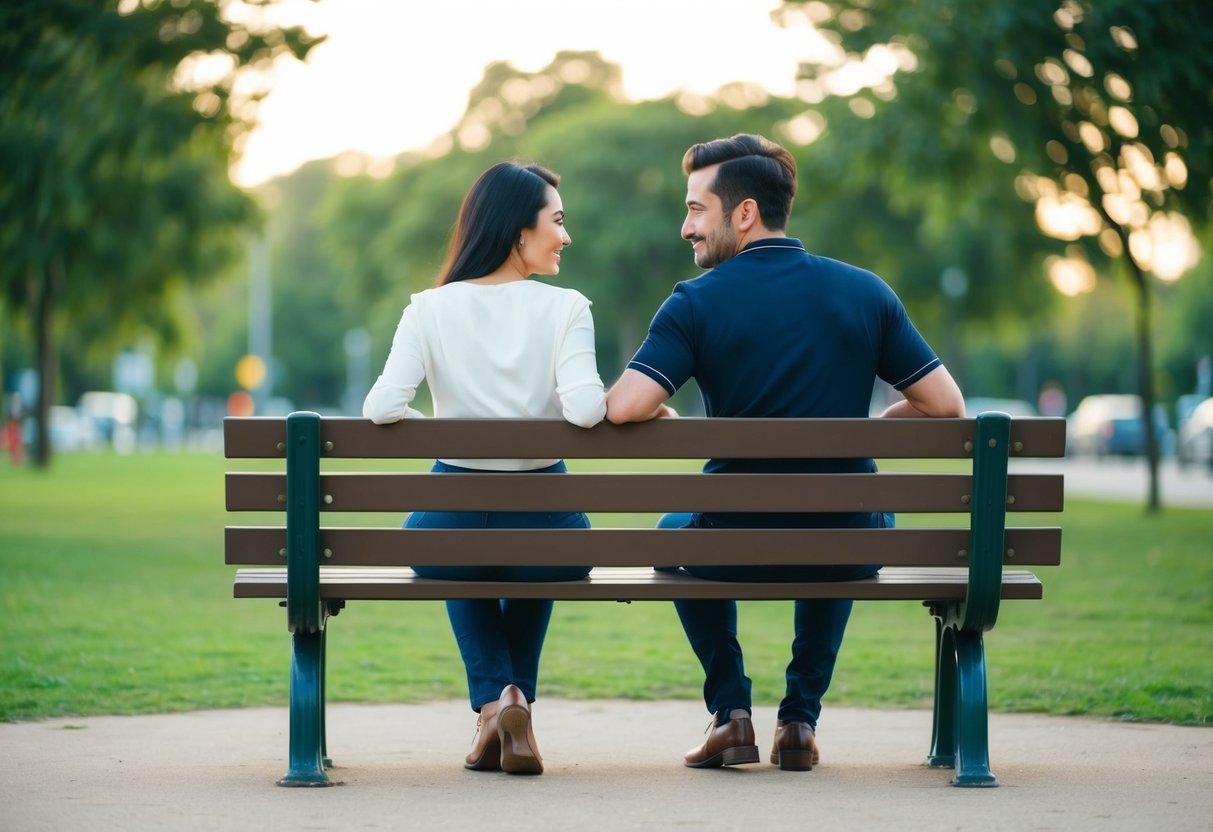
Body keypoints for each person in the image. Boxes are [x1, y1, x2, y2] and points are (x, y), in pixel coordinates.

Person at [606, 134, 964, 772]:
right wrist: (877, 424)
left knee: (670, 539)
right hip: (849, 539)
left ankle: (732, 713)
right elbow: (946, 406)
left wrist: (666, 414)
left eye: (695, 209)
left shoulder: (695, 302)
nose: (685, 227)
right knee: (844, 515)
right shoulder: (866, 292)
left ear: (743, 213)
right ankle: (799, 721)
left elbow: (626, 407)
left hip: (732, 539)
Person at [363, 161, 606, 775]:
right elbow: (584, 409)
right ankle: (513, 700)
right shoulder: (568, 308)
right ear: (518, 232)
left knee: (453, 547)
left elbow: (382, 406)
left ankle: (495, 707)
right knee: (537, 553)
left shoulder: (427, 308)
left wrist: (447, 431)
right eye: (557, 220)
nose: (565, 235)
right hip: (545, 523)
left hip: (454, 518)